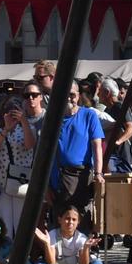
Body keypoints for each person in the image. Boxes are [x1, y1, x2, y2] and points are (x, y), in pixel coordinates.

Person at [51, 81, 107, 232]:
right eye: (65, 95)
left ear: (78, 96)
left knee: (81, 219)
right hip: (60, 176)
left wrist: (98, 173)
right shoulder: (54, 118)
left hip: (82, 175)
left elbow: (97, 146)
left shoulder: (89, 115)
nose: (69, 98)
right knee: (61, 220)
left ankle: (82, 253)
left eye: (72, 95)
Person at [0, 96, 36, 236]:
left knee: (21, 224)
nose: (12, 113)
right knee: (4, 225)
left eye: (16, 110)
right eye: (9, 110)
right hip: (1, 183)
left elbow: (30, 145)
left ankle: (21, 256)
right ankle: (5, 255)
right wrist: (6, 129)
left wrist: (23, 121)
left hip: (20, 183)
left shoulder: (29, 128)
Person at [30, 205, 102, 264]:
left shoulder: (81, 237)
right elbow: (51, 263)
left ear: (78, 222)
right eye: (67, 218)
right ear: (60, 220)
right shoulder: (53, 234)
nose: (70, 222)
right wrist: (46, 243)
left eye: (74, 220)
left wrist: (86, 247)